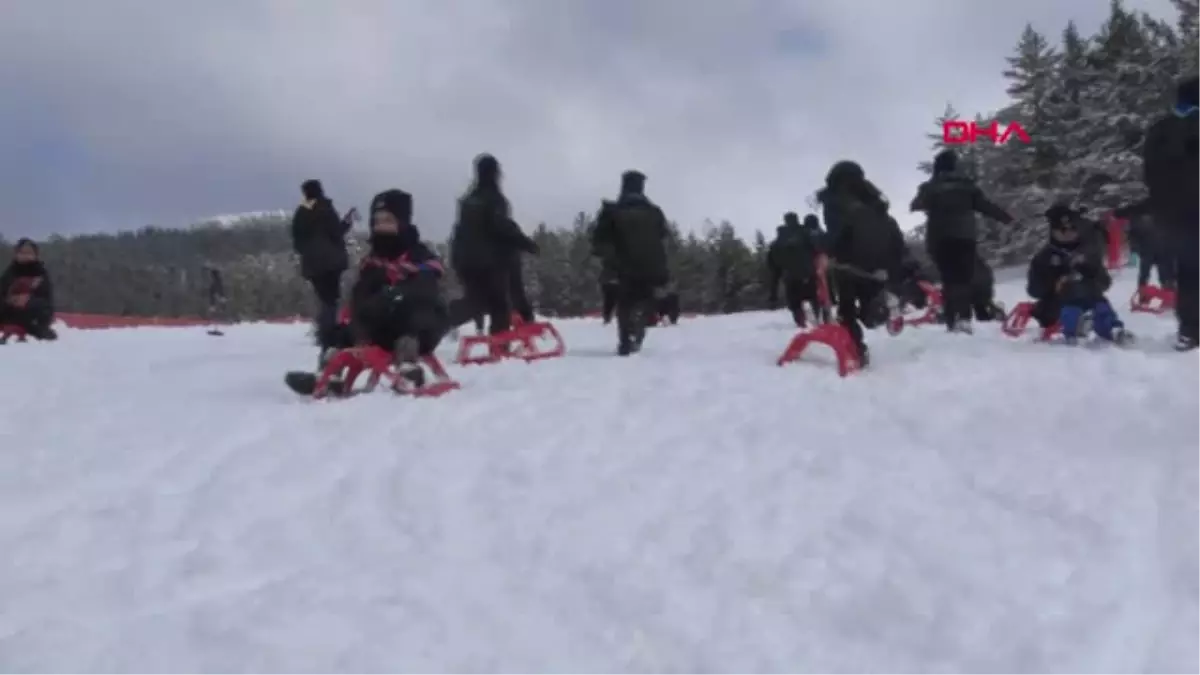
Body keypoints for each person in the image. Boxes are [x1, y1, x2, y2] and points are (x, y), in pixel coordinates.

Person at [340, 189, 448, 386]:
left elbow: (427, 288)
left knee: (417, 311)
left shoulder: (419, 255)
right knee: (344, 321)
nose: (382, 226)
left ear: (402, 223)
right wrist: (360, 327)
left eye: (388, 220)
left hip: (418, 328)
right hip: (380, 327)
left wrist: (396, 294)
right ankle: (331, 369)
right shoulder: (372, 263)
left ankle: (408, 364)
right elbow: (360, 296)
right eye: (377, 221)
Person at [910, 149, 1013, 333]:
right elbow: (986, 206)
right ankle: (964, 318)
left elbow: (916, 205)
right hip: (965, 237)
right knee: (964, 278)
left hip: (939, 238)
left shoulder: (930, 187)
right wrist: (1007, 218)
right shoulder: (968, 186)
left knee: (949, 278)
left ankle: (953, 318)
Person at [818, 161, 908, 366]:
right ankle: (884, 304)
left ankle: (857, 351)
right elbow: (892, 229)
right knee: (869, 309)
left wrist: (823, 248)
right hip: (878, 263)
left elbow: (837, 231)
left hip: (848, 263)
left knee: (847, 310)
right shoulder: (872, 197)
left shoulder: (834, 200)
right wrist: (896, 261)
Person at [1137, 74, 1200, 350]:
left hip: (1174, 216)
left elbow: (1149, 174)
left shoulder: (1160, 130)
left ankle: (1189, 329)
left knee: (1188, 272)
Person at [449, 154, 539, 336]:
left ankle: (442, 318)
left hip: (465, 261)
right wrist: (526, 243)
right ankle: (500, 342)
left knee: (475, 302)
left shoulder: (468, 201)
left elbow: (461, 231)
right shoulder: (494, 198)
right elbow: (501, 226)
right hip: (489, 262)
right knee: (500, 302)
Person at [1026, 204, 1132, 345]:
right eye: (1063, 229)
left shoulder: (1086, 252)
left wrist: (1090, 276)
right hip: (1055, 304)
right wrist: (1055, 282)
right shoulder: (1044, 257)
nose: (1069, 233)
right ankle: (1075, 327)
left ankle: (1112, 329)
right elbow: (1034, 290)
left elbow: (1105, 282)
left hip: (1089, 299)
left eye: (1073, 228)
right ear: (1054, 231)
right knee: (1071, 296)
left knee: (1098, 302)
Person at [591, 170, 671, 355]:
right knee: (645, 298)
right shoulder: (654, 212)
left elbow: (599, 240)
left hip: (623, 264)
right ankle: (637, 328)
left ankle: (626, 337)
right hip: (652, 264)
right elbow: (663, 235)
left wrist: (606, 258)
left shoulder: (612, 211)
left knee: (625, 301)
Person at [291, 179, 351, 351]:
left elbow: (297, 241)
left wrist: (309, 253)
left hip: (311, 264)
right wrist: (347, 223)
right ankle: (328, 336)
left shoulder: (300, 213)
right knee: (331, 300)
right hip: (331, 262)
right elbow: (336, 232)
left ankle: (324, 333)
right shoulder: (325, 208)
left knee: (324, 299)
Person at [766, 212, 824, 328]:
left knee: (796, 308)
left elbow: (774, 271)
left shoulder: (776, 244)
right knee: (815, 303)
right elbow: (820, 250)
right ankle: (819, 324)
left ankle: (802, 327)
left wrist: (773, 295)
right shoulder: (807, 234)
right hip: (809, 277)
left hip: (791, 280)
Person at [0, 238, 57, 340]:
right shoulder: (10, 272)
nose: (25, 256)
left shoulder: (41, 273)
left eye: (29, 253)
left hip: (32, 314)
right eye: (22, 253)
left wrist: (28, 300)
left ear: (35, 255)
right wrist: (11, 300)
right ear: (17, 254)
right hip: (10, 311)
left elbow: (47, 300)